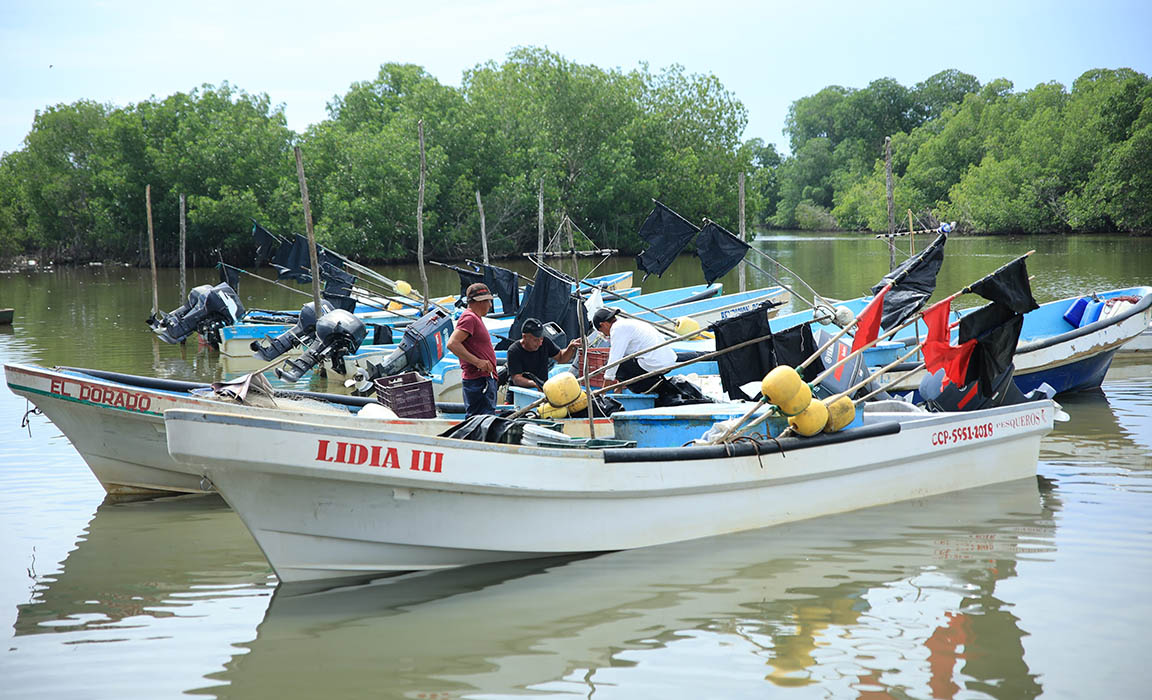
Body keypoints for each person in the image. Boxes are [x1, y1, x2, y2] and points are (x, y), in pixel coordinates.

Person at [592, 307, 677, 394]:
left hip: (655, 364)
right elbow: (623, 355)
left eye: (602, 332)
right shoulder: (627, 323)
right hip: (667, 362)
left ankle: (648, 386)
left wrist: (603, 391)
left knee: (609, 364)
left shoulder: (617, 329)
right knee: (623, 364)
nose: (606, 335)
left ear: (603, 325)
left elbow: (614, 361)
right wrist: (619, 386)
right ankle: (654, 381)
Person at [447, 283, 499, 416]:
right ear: (480, 301)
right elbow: (452, 343)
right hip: (478, 380)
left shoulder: (475, 318)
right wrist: (478, 362)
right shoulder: (469, 318)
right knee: (480, 420)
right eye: (488, 301)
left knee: (485, 419)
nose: (490, 305)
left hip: (483, 379)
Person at [506, 318, 581, 389]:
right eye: (535, 340)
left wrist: (571, 347)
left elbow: (561, 358)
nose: (540, 343)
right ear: (524, 337)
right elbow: (517, 378)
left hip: (542, 387)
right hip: (521, 390)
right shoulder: (514, 351)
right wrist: (534, 384)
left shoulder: (545, 342)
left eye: (541, 339)